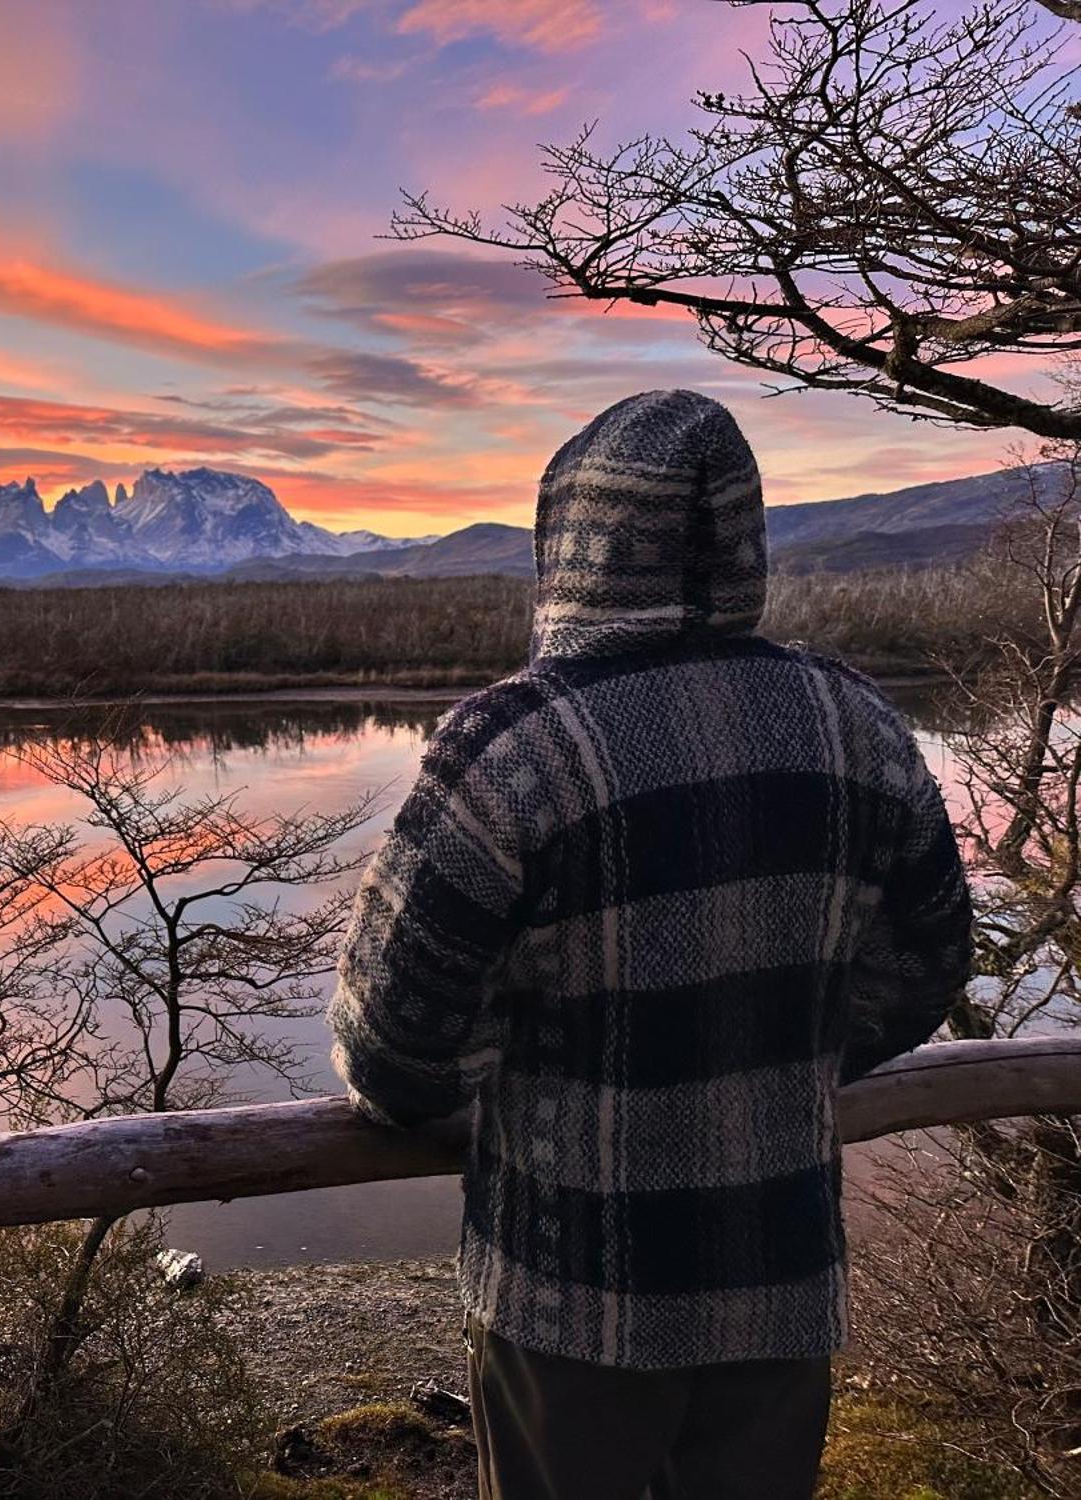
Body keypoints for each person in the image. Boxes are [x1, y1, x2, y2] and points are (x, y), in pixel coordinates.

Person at [329, 389, 973, 1500]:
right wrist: (787, 1068)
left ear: (568, 543)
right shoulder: (852, 721)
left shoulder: (514, 744)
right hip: (778, 1276)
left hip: (570, 1294)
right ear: (739, 538)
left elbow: (394, 1045)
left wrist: (498, 1084)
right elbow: (921, 972)